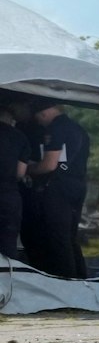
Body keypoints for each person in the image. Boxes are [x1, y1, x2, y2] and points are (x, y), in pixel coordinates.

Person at [25, 99, 90, 278]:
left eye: (38, 117)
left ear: (43, 113)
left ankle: (64, 282)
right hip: (77, 185)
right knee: (70, 238)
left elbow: (49, 164)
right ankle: (80, 279)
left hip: (58, 188)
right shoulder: (77, 128)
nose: (38, 121)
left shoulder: (56, 128)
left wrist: (28, 169)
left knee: (57, 237)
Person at [0, 97, 29, 261]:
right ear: (10, 119)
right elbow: (20, 172)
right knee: (7, 244)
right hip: (8, 197)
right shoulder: (20, 137)